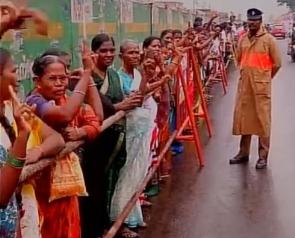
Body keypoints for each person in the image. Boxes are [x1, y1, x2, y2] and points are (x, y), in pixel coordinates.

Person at [25, 52, 100, 237]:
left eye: (63, 78)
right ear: (37, 80)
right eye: (53, 79)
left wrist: (81, 131)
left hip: (66, 185)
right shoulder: (35, 102)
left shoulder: (64, 99)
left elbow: (97, 117)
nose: (59, 83)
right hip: (43, 188)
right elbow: (65, 115)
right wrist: (87, 74)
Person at [79, 34, 142, 238]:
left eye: (110, 50)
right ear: (93, 53)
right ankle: (95, 230)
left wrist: (125, 103)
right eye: (103, 51)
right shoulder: (87, 78)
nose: (108, 54)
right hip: (96, 144)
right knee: (95, 188)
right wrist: (119, 107)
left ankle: (109, 223)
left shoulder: (113, 76)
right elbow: (93, 110)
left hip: (116, 139)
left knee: (111, 185)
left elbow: (121, 102)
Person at [0, 47, 65, 238]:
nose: (18, 78)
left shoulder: (14, 108)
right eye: (13, 71)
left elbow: (57, 139)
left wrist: (38, 151)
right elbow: (2, 195)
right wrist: (22, 138)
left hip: (20, 211)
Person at [230, 8, 282, 169]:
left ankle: (262, 157)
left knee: (262, 122)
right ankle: (243, 153)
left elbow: (277, 63)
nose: (251, 23)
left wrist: (264, 78)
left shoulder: (269, 40)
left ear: (260, 21)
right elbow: (237, 58)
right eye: (249, 21)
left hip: (260, 88)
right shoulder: (243, 39)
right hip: (245, 87)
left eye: (254, 21)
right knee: (244, 119)